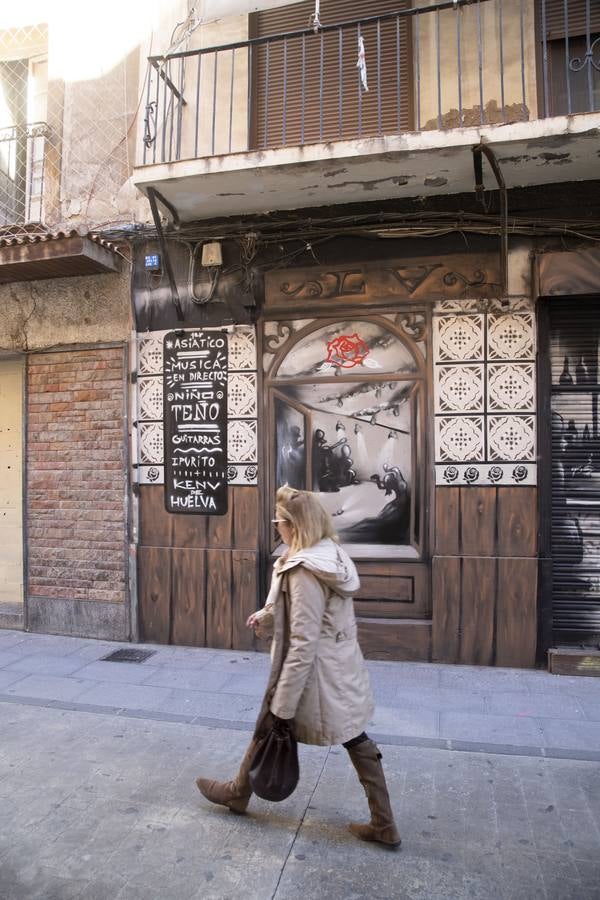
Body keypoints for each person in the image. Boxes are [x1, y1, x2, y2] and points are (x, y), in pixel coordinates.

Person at [196, 485, 401, 848]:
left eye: (279, 521)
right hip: (337, 668)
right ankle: (238, 792)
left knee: (280, 724)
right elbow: (306, 613)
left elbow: (304, 640)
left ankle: (238, 792)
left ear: (295, 525)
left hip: (316, 676)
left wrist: (284, 702)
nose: (276, 527)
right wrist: (268, 615)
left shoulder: (305, 570)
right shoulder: (328, 553)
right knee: (351, 736)